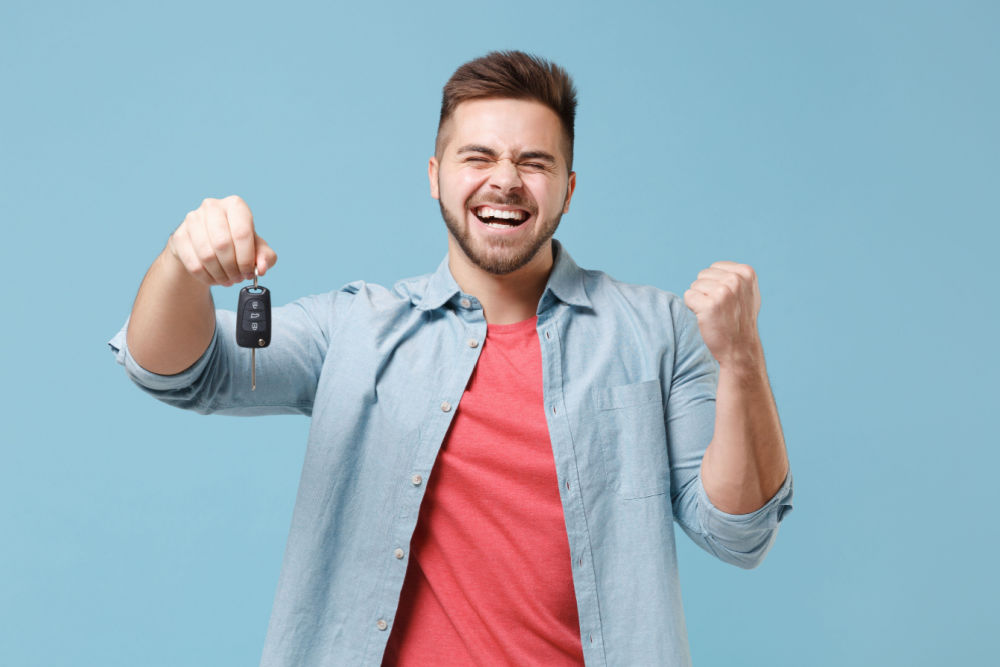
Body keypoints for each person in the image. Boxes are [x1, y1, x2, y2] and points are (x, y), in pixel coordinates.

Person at [109, 50, 793, 667]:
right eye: (479, 157)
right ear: (435, 177)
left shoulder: (658, 331)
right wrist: (181, 262)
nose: (506, 181)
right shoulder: (356, 329)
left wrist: (742, 358)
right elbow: (177, 368)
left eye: (534, 162)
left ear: (569, 188)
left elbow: (738, 531)